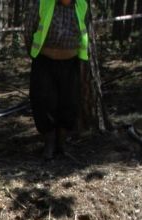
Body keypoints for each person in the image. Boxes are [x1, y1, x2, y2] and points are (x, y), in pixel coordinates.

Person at [24, 0, 90, 160]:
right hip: (45, 62)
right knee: (44, 102)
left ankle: (62, 144)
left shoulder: (82, 5)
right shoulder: (42, 4)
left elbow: (84, 30)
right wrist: (34, 53)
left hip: (71, 63)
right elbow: (28, 30)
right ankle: (49, 143)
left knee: (69, 103)